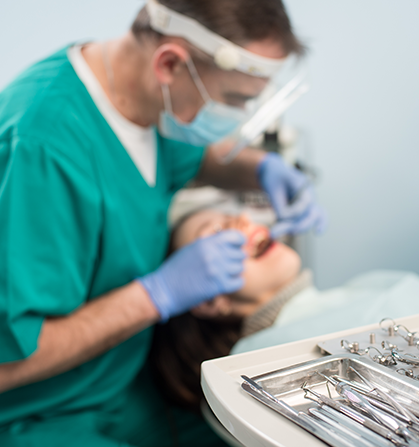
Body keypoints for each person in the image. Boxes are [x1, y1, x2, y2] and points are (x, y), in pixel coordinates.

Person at [0, 1, 326, 446]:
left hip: (125, 387)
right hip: (39, 415)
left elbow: (189, 153)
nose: (237, 117)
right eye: (233, 101)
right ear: (170, 64)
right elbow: (7, 363)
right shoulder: (44, 147)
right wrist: (159, 294)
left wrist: (260, 169)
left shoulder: (143, 97)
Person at [150, 208, 419, 411]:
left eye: (233, 214)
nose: (243, 221)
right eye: (217, 235)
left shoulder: (369, 282)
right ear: (207, 301)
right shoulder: (250, 362)